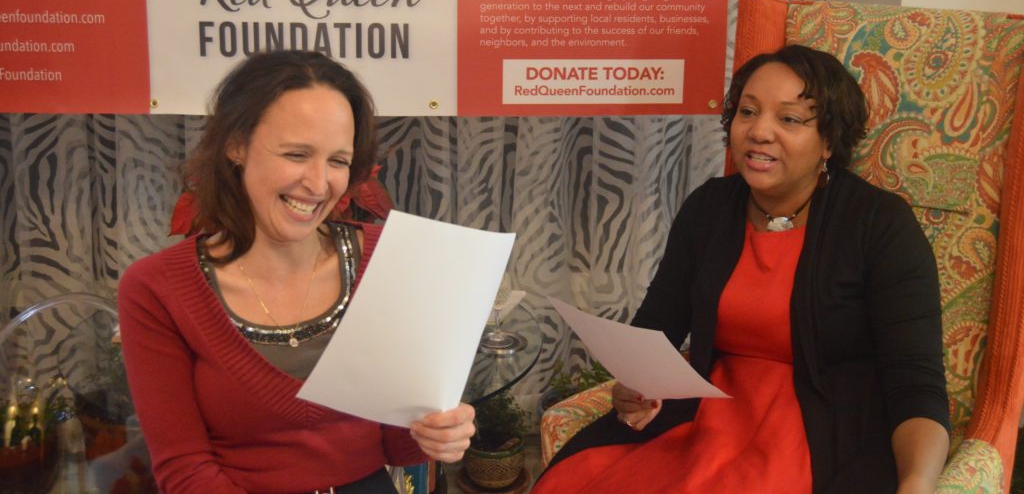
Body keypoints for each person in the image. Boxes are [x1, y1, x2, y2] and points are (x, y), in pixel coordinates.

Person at [533, 45, 950, 494]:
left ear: (829, 141)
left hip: (823, 429)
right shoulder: (709, 206)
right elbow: (655, 330)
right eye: (747, 112)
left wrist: (916, 483)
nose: (759, 131)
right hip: (705, 417)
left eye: (789, 119)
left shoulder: (880, 224)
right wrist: (633, 387)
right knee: (575, 482)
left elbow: (916, 382)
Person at [118, 51, 475, 494]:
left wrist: (438, 431)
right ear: (236, 145)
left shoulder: (390, 259)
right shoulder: (156, 289)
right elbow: (185, 469)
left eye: (338, 161)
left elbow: (400, 447)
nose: (319, 183)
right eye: (296, 154)